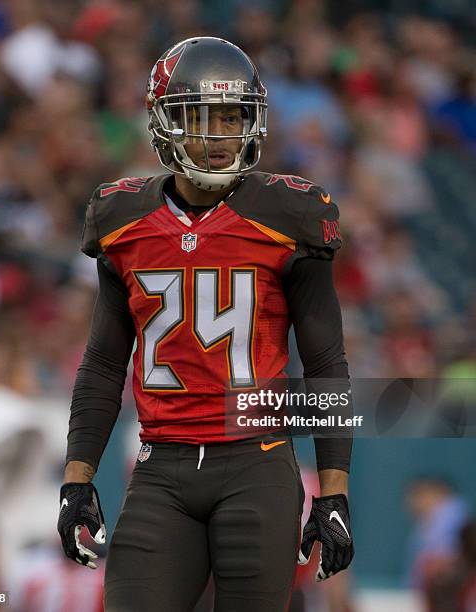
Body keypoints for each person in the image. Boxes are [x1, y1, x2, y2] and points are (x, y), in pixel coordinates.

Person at [57, 36, 354, 612]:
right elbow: (102, 362)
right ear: (165, 122)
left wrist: (334, 493)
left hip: (256, 463)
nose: (218, 135)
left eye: (232, 117)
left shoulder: (290, 216)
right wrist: (77, 476)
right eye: (201, 117)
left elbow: (325, 364)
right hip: (160, 467)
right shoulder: (123, 219)